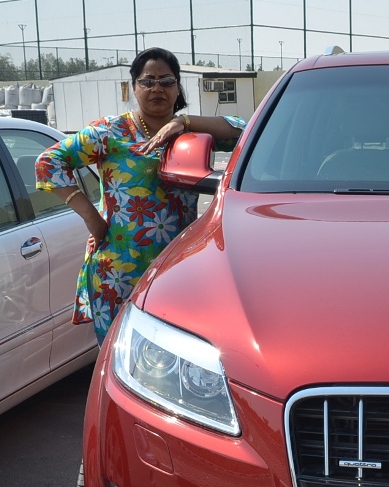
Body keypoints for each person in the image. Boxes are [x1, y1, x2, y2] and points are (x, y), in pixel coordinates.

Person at [36, 47, 245, 344]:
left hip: (177, 267)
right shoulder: (110, 132)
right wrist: (92, 218)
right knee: (119, 355)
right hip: (118, 270)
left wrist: (184, 122)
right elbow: (49, 162)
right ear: (133, 87)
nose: (157, 88)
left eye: (167, 81)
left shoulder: (194, 135)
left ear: (178, 87)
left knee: (175, 353)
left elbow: (245, 130)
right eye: (147, 81)